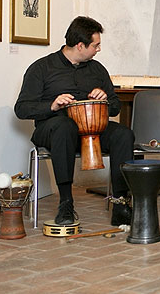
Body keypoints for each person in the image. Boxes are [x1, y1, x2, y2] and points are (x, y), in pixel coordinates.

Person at [15, 16, 135, 226]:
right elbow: (22, 108)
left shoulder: (97, 69)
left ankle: (120, 203)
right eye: (95, 45)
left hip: (91, 129)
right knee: (65, 126)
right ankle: (66, 203)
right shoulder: (42, 68)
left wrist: (105, 99)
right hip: (52, 128)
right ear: (80, 45)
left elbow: (115, 105)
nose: (98, 50)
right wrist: (52, 105)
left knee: (123, 134)